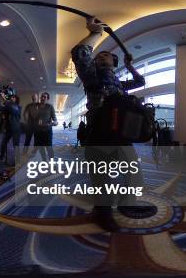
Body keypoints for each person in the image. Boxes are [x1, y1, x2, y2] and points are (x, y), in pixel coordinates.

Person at [72, 16, 146, 231]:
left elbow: (140, 82)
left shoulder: (119, 83)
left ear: (114, 63)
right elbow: (79, 54)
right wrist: (95, 33)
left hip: (120, 135)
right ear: (95, 62)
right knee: (102, 177)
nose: (103, 57)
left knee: (134, 172)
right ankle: (102, 213)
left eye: (107, 56)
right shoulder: (92, 76)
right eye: (100, 56)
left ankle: (126, 205)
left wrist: (129, 66)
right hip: (99, 133)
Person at [0, 93, 21, 164]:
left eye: (13, 97)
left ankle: (17, 160)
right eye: (11, 97)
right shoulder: (8, 105)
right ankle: (1, 157)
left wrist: (5, 99)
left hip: (16, 129)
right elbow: (1, 109)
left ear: (16, 99)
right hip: (8, 128)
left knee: (15, 145)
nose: (11, 98)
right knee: (3, 143)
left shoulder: (18, 106)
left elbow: (13, 110)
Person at [34, 92, 58, 161]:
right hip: (38, 131)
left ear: (47, 99)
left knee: (49, 147)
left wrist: (52, 123)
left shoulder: (50, 107)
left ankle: (51, 161)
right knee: (41, 147)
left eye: (45, 97)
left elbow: (55, 120)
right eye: (42, 96)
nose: (43, 98)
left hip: (47, 131)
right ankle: (44, 160)